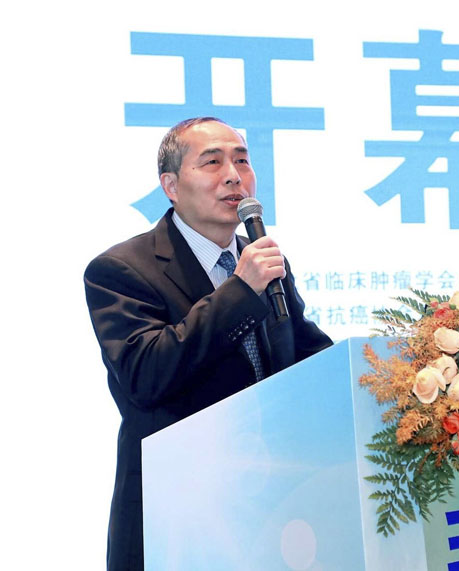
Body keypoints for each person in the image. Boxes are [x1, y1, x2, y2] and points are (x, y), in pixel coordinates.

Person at [84, 117, 332, 570]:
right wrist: (240, 291)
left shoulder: (264, 260)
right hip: (178, 519)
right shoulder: (121, 270)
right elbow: (146, 374)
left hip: (273, 510)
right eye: (213, 162)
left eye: (242, 161)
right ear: (171, 186)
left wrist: (384, 372)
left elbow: (307, 355)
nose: (234, 176)